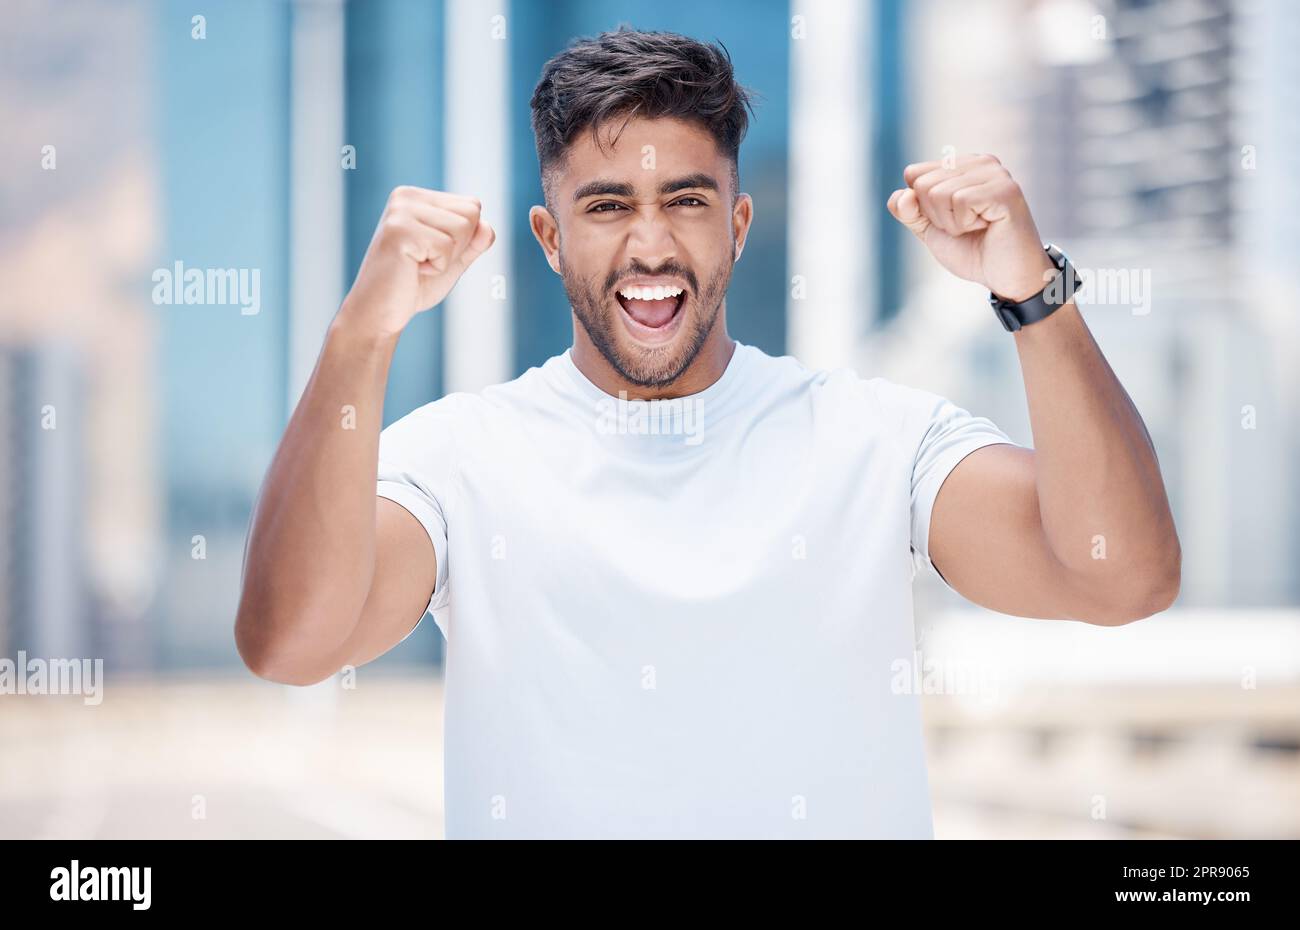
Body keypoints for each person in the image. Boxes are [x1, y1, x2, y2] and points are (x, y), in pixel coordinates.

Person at [234, 27, 1180, 839]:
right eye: (607, 207)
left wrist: (1032, 294)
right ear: (550, 238)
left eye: (686, 202)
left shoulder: (875, 439)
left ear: (736, 226)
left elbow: (1122, 578)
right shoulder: (460, 459)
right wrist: (361, 335)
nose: (650, 247)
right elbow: (290, 646)